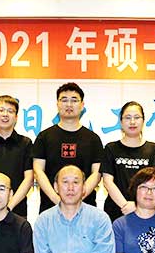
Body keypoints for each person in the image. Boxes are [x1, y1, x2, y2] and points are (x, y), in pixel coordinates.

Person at [32, 82, 104, 213]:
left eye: (74, 100)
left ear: (82, 105)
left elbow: (97, 174)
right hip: (51, 208)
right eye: (64, 100)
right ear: (57, 104)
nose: (69, 104)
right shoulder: (44, 137)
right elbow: (38, 171)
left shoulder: (93, 139)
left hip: (85, 208)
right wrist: (57, 200)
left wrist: (77, 199)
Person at [101, 101, 155, 222]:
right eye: (127, 118)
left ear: (143, 121)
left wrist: (138, 207)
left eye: (137, 117)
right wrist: (125, 206)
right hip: (116, 211)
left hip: (145, 211)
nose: (132, 122)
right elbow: (107, 181)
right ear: (121, 122)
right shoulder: (111, 148)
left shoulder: (153, 149)